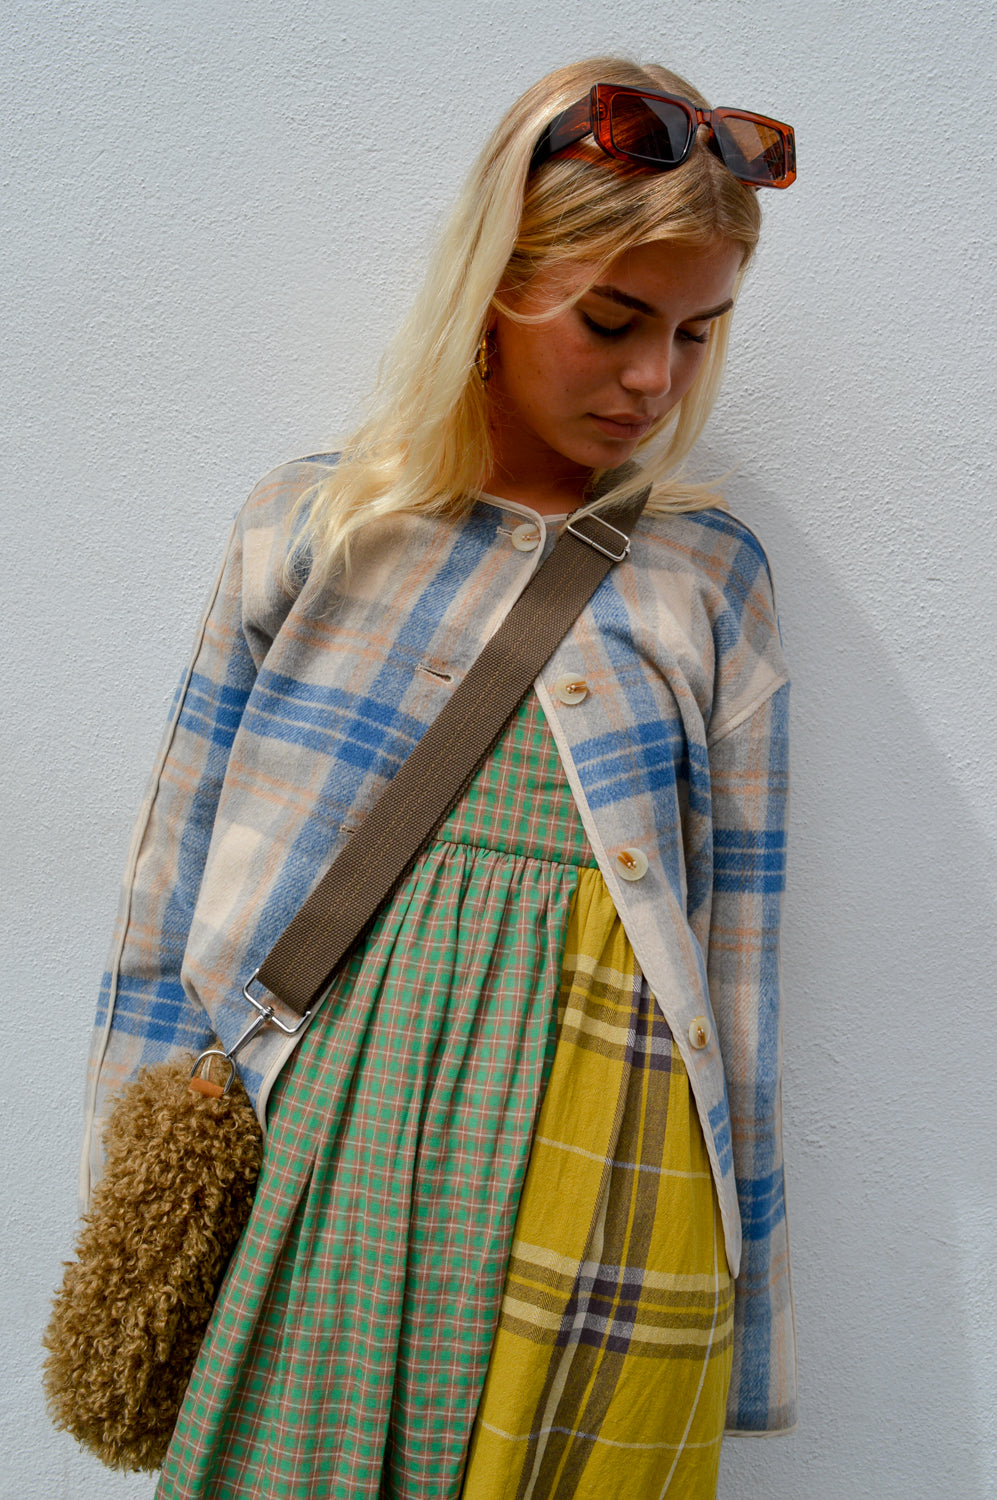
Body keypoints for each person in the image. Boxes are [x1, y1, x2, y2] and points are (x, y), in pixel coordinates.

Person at [81, 55, 797, 1499]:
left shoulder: (708, 575)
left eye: (696, 334)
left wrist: (755, 1319)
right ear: (492, 287)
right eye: (612, 321)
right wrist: (131, 1200)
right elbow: (172, 880)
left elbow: (740, 962)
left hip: (613, 1152)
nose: (653, 379)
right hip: (326, 1129)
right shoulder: (316, 525)